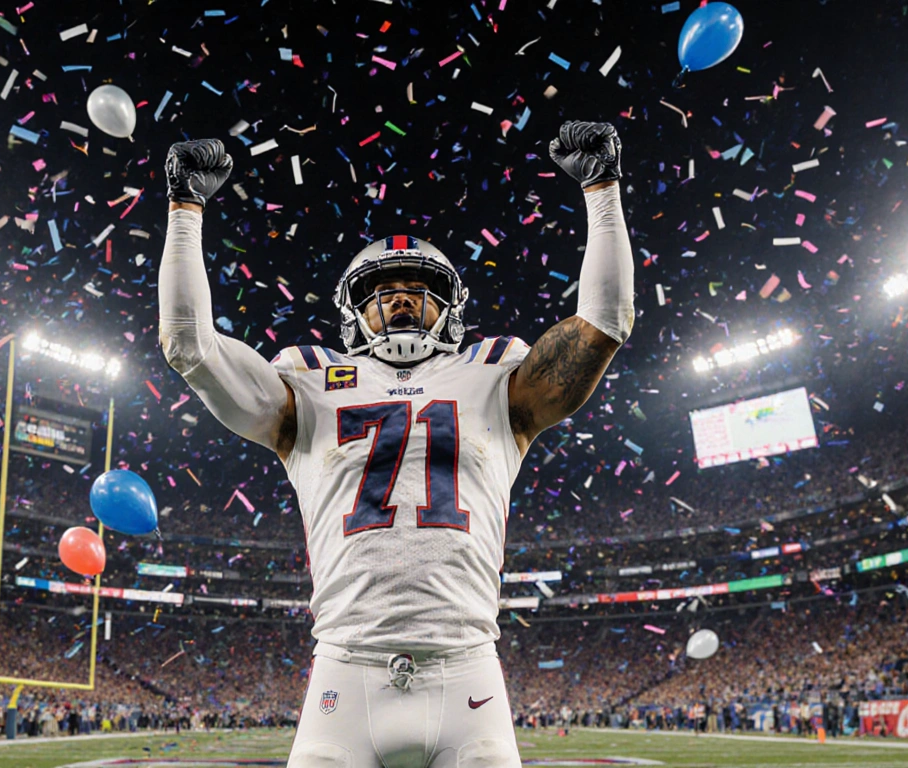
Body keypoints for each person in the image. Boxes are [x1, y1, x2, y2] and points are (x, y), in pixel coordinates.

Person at [159, 119, 634, 768]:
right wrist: (185, 210)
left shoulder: (495, 376)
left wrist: (603, 191)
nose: (401, 302)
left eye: (418, 291)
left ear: (451, 307)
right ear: (354, 312)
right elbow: (188, 346)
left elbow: (604, 323)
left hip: (466, 668)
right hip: (344, 674)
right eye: (382, 294)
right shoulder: (310, 382)